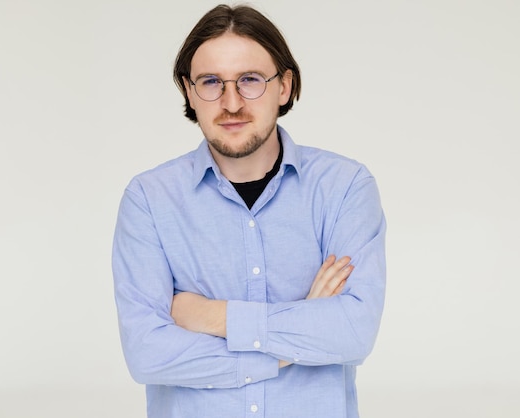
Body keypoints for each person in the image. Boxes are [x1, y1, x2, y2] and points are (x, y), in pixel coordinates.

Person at [112, 4, 386, 418]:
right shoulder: (149, 199)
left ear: (284, 86)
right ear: (189, 91)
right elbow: (147, 354)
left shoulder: (344, 187)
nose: (232, 102)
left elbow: (352, 332)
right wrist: (293, 338)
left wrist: (211, 315)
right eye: (211, 82)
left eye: (250, 80)